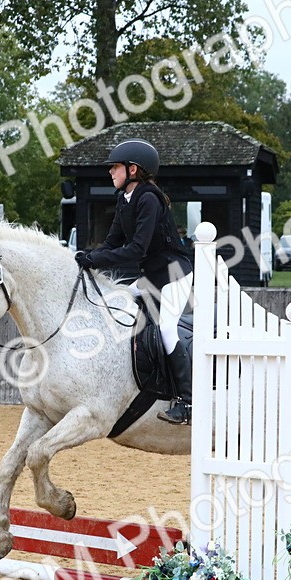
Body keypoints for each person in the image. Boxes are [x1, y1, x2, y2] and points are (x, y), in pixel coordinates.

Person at [75, 139, 194, 425]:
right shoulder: (125, 199)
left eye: (115, 167)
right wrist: (84, 256)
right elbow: (113, 241)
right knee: (118, 306)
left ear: (133, 169)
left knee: (166, 329)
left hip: (175, 274)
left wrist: (96, 260)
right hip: (152, 277)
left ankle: (187, 402)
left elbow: (137, 249)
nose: (110, 172)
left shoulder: (149, 198)